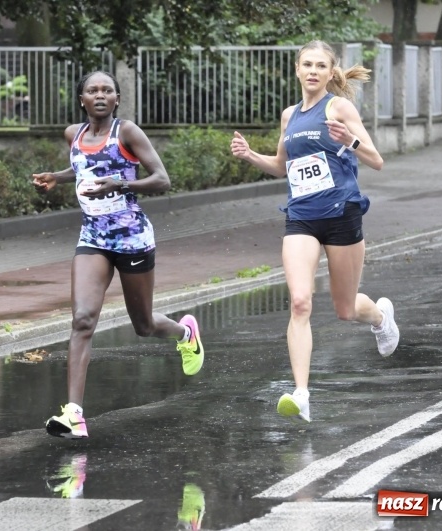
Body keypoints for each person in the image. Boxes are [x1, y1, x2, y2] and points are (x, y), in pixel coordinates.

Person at [230, 40, 399, 423]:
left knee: (344, 308)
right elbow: (281, 165)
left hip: (341, 215)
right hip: (301, 217)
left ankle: (379, 318)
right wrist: (250, 155)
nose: (312, 71)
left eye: (320, 66)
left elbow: (376, 160)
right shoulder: (290, 116)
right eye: (307, 64)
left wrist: (349, 141)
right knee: (300, 302)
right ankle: (302, 393)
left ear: (329, 72)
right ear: (296, 69)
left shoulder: (338, 107)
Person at [32, 70, 205, 439]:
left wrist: (121, 183)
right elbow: (82, 167)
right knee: (82, 319)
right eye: (92, 90)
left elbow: (162, 179)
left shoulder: (126, 132)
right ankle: (74, 414)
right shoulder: (73, 135)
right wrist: (56, 178)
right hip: (93, 238)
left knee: (143, 325)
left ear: (116, 99)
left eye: (107, 90)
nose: (99, 95)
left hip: (132, 238)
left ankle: (185, 333)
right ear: (82, 99)